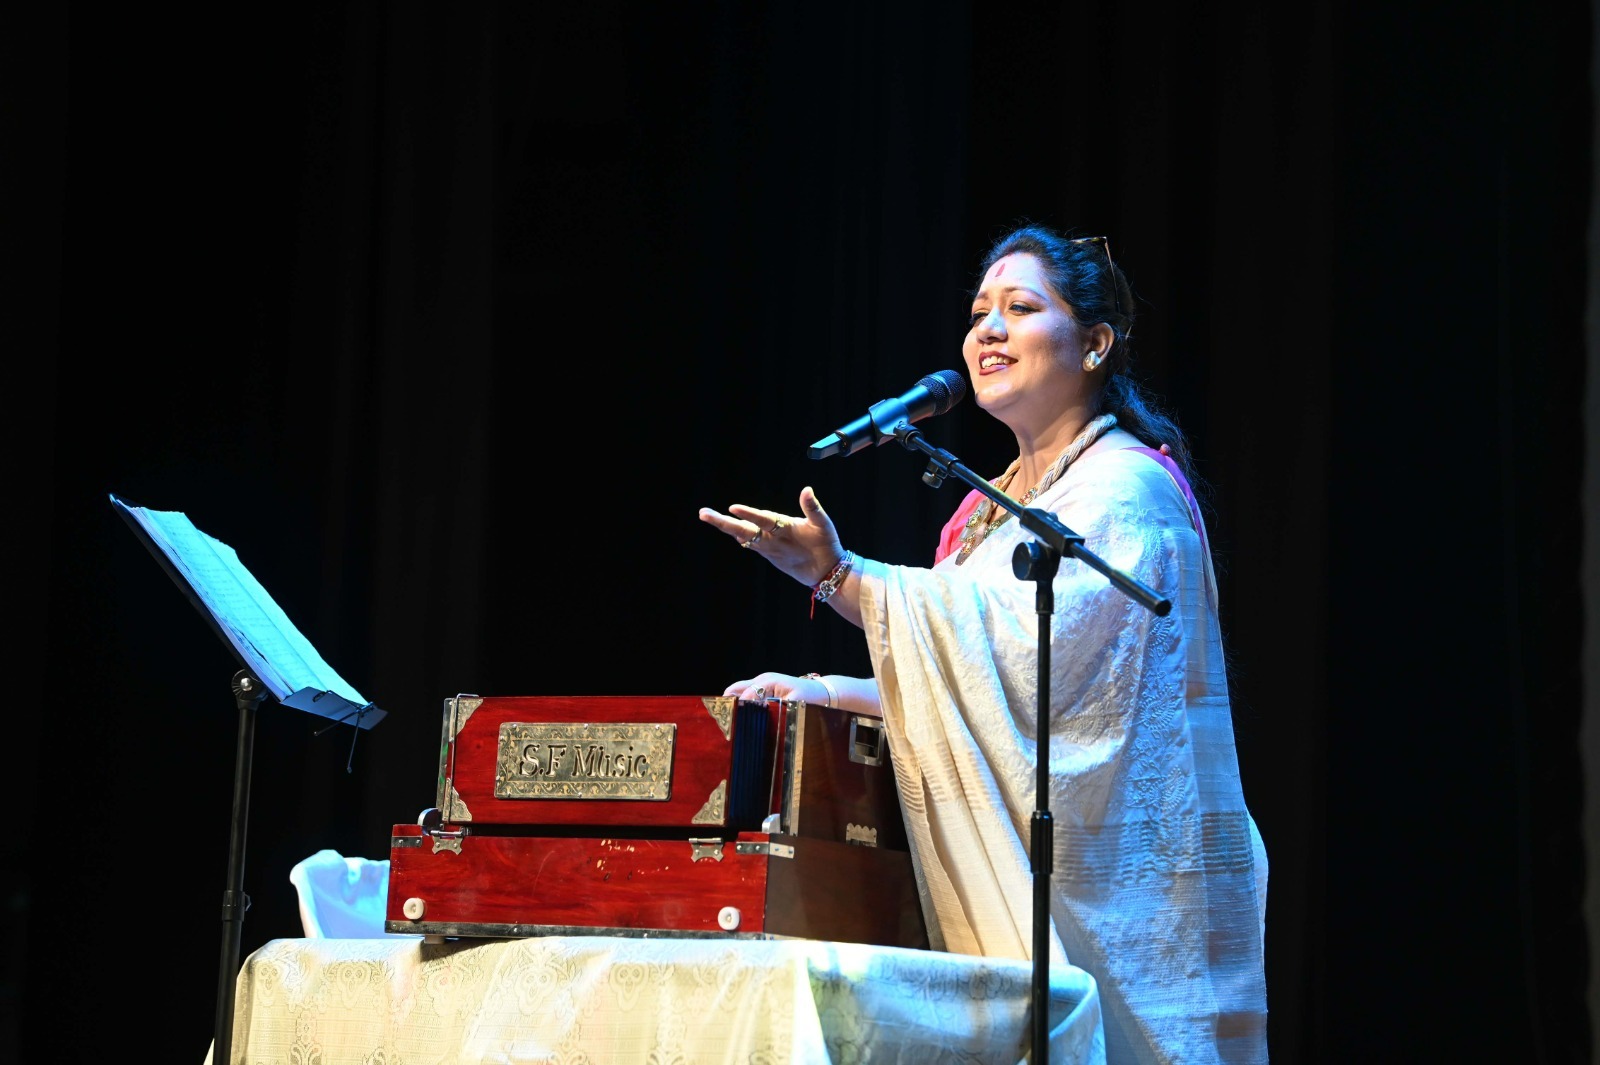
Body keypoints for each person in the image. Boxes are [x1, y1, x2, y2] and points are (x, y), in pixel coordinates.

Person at [698, 223, 1269, 1064]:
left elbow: (1047, 683)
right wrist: (815, 687)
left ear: (1095, 343)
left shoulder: (1128, 490)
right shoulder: (983, 513)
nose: (987, 330)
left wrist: (842, 575)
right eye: (978, 314)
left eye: (1020, 308)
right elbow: (967, 686)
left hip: (1114, 888)